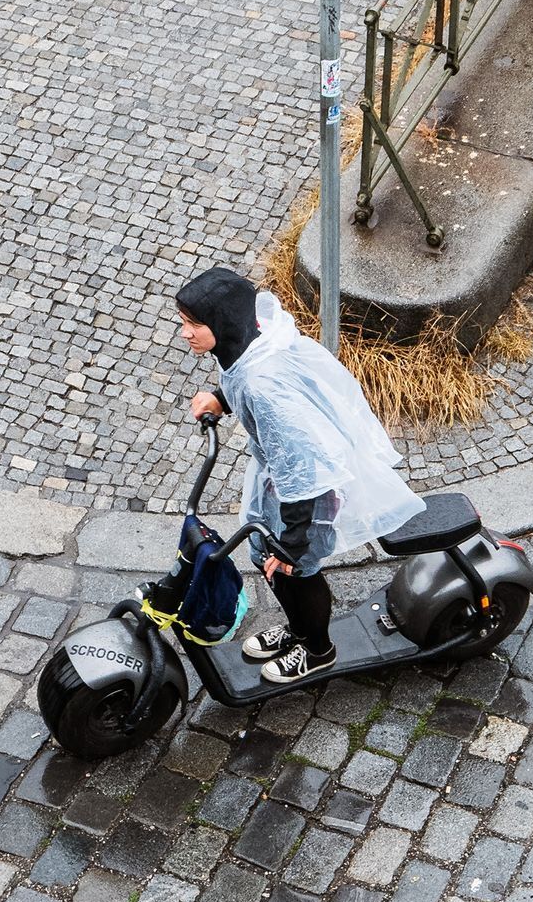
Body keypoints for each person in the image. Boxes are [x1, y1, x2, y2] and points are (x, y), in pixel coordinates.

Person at [176, 267, 425, 685]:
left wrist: (293, 542)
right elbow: (249, 384)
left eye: (193, 323)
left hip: (307, 492)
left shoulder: (262, 386)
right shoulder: (250, 343)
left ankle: (317, 650)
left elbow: (303, 470)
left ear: (221, 323)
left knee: (294, 570)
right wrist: (220, 398)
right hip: (285, 481)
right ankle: (298, 627)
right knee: (268, 559)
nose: (184, 333)